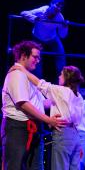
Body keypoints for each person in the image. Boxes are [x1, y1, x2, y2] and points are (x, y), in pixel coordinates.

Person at [1, 40, 65, 170]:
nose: (38, 60)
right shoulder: (16, 74)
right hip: (18, 128)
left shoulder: (26, 76)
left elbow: (42, 103)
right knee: (15, 166)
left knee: (36, 167)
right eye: (35, 57)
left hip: (34, 128)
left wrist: (62, 95)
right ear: (24, 55)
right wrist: (48, 120)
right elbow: (23, 103)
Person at [9, 64, 85, 170]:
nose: (59, 77)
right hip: (75, 136)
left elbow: (40, 84)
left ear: (66, 78)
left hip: (62, 133)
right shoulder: (78, 96)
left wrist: (22, 70)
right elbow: (49, 103)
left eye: (61, 75)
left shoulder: (60, 91)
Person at [20, 0, 68, 78]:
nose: (58, 8)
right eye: (57, 5)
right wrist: (35, 18)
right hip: (38, 38)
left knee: (61, 55)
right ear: (51, 4)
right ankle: (38, 82)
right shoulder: (42, 10)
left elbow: (63, 36)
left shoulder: (60, 17)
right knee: (36, 58)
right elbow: (23, 13)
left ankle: (62, 81)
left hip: (52, 38)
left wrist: (65, 26)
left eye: (61, 7)